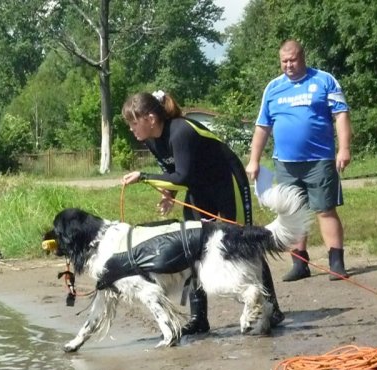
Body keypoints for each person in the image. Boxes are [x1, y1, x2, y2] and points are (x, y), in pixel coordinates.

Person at [121, 90, 284, 335]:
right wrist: (170, 196)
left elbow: (181, 175)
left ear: (150, 119)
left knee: (244, 244)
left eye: (134, 123)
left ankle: (272, 307)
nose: (132, 129)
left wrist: (144, 177)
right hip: (199, 188)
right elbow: (173, 170)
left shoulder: (181, 131)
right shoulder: (151, 140)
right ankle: (199, 318)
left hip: (227, 183)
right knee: (191, 248)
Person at [246, 40, 352, 282]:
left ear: (303, 58)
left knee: (325, 209)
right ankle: (300, 263)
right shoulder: (273, 88)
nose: (289, 65)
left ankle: (336, 262)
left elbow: (341, 115)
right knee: (292, 211)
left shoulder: (324, 80)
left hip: (320, 160)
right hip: (285, 163)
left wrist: (344, 149)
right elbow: (262, 126)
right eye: (284, 61)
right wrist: (254, 160)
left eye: (292, 60)